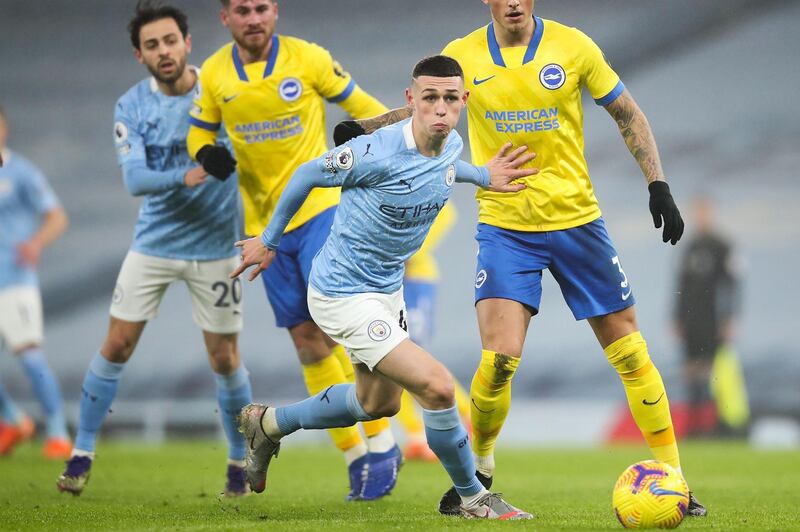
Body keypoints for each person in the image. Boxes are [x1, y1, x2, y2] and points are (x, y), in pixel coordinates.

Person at [336, 0, 707, 518]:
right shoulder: (463, 55)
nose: (514, 2)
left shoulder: (573, 46)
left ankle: (677, 481)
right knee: (500, 359)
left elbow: (626, 112)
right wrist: (369, 126)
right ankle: (481, 472)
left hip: (578, 222)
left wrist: (659, 184)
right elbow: (430, 105)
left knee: (629, 351)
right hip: (506, 227)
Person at [233, 55, 537, 519]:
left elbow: (447, 170)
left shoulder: (451, 144)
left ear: (463, 102)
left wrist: (485, 176)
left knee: (375, 404)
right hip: (341, 292)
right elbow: (307, 174)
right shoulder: (375, 152)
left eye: (450, 99)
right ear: (410, 100)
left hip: (384, 290)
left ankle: (269, 424)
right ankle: (473, 497)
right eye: (430, 97)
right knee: (436, 387)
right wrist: (268, 240)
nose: (440, 108)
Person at [186, 0, 400, 501]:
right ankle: (356, 458)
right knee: (307, 341)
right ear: (225, 18)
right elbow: (200, 128)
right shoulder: (215, 74)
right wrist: (204, 151)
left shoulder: (308, 59)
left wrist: (361, 135)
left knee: (342, 321)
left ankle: (383, 442)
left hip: (321, 210)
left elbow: (368, 107)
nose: (253, 17)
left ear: (275, 11)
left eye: (261, 7)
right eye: (242, 10)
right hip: (265, 230)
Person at [56, 2, 253, 497]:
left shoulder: (220, 90)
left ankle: (237, 460)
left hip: (216, 246)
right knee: (117, 343)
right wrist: (191, 173)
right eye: (151, 45)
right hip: (155, 244)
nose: (163, 51)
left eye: (170, 40)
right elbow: (136, 179)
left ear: (187, 44)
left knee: (225, 359)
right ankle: (80, 453)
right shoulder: (132, 106)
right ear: (138, 55)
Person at [0, 105, 71, 460]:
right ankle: (13, 420)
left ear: (5, 128)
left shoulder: (21, 172)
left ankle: (57, 431)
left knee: (29, 357)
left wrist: (36, 243)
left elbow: (57, 216)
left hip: (14, 279)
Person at [674, 196, 748, 437]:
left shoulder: (723, 246)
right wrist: (676, 317)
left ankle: (718, 424)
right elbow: (681, 286)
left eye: (704, 212)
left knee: (716, 372)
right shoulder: (690, 247)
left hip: (714, 320)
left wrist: (730, 317)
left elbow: (733, 285)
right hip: (691, 320)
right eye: (697, 212)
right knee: (691, 370)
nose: (700, 217)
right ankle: (694, 425)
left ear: (712, 213)